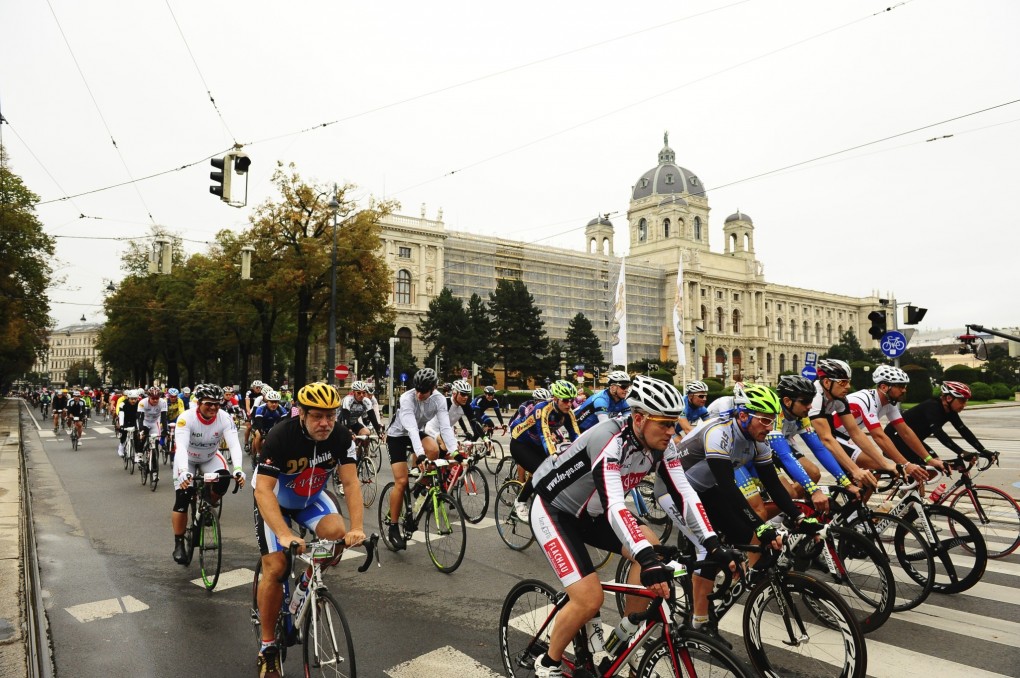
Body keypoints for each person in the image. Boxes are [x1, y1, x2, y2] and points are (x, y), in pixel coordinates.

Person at [528, 376, 728, 678]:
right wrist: (646, 559)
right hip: (555, 510)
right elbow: (615, 505)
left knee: (648, 542)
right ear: (639, 418)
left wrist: (712, 542)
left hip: (593, 514)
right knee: (589, 597)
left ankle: (624, 633)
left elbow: (685, 493)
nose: (671, 431)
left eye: (674, 423)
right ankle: (548, 664)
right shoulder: (609, 440)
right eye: (664, 423)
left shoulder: (662, 445)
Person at [676, 384, 820, 636]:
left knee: (749, 538)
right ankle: (698, 625)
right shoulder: (719, 433)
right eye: (764, 420)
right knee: (709, 551)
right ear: (743, 415)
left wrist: (799, 517)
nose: (770, 427)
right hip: (678, 491)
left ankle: (722, 592)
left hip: (707, 489)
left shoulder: (757, 441)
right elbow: (728, 486)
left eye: (772, 420)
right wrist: (760, 525)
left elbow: (774, 485)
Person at [252, 382, 365, 678]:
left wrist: (358, 528)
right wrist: (284, 534)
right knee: (276, 567)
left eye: (330, 415)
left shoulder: (340, 436)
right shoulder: (280, 436)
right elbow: (263, 491)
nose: (325, 423)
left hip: (310, 499)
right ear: (301, 414)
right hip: (275, 500)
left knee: (337, 535)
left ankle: (306, 583)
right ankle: (267, 647)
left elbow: (351, 483)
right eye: (317, 416)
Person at [383, 368, 459, 550]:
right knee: (401, 481)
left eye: (423, 391)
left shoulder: (439, 399)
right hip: (397, 436)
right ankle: (393, 527)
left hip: (416, 432)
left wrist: (455, 451)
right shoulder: (407, 398)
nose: (418, 394)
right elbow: (410, 430)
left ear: (433, 388)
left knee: (433, 448)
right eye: (416, 389)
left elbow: (445, 427)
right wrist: (420, 456)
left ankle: (419, 484)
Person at [171, 383, 247, 564]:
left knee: (223, 480)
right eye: (208, 403)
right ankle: (179, 542)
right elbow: (180, 446)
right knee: (182, 497)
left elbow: (234, 444)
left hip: (210, 457)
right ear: (199, 403)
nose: (213, 407)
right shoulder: (186, 418)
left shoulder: (225, 418)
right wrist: (182, 472)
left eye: (217, 404)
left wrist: (238, 469)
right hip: (187, 459)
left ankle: (207, 505)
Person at [835, 365, 930, 483]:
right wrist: (905, 464)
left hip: (846, 437)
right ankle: (858, 500)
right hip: (831, 436)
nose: (904, 390)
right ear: (884, 387)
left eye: (905, 386)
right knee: (878, 467)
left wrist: (929, 459)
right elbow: (878, 436)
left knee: (876, 471)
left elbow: (905, 432)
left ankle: (858, 499)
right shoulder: (866, 400)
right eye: (900, 386)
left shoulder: (889, 403)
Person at [508, 380, 582, 521]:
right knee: (540, 471)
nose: (569, 404)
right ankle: (520, 501)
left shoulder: (568, 413)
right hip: (520, 442)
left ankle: (543, 500)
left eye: (571, 401)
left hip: (535, 444)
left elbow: (577, 436)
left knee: (555, 471)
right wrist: (553, 454)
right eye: (565, 401)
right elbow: (545, 435)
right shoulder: (542, 409)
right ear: (555, 398)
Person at [805, 359, 881, 491]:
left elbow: (855, 432)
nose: (848, 386)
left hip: (825, 436)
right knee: (813, 475)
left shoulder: (839, 398)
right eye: (843, 382)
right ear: (827, 382)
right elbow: (826, 439)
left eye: (848, 382)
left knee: (876, 466)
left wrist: (885, 464)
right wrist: (855, 470)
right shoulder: (815, 396)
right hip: (791, 435)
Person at [884, 381, 987, 471]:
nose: (964, 405)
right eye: (962, 401)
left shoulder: (950, 411)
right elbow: (939, 433)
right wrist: (961, 452)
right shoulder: (932, 406)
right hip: (895, 438)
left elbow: (963, 430)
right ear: (949, 398)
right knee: (925, 469)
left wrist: (983, 450)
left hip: (912, 440)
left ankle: (907, 491)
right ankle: (901, 485)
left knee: (935, 466)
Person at [425, 379, 484, 452]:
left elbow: (474, 423)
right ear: (454, 393)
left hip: (447, 431)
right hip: (433, 429)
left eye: (467, 394)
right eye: (463, 394)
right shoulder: (445, 403)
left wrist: (485, 438)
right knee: (445, 448)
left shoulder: (466, 406)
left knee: (458, 454)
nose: (466, 397)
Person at [339, 381, 385, 458]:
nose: (361, 395)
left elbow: (373, 418)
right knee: (349, 439)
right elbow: (345, 418)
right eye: (359, 393)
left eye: (364, 393)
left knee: (366, 432)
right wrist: (349, 431)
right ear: (353, 392)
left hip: (354, 423)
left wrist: (379, 432)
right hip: (342, 423)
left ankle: (362, 455)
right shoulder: (348, 400)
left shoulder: (366, 401)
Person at [251, 389, 288, 460]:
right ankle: (258, 453)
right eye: (272, 402)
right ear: (267, 402)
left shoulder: (281, 410)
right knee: (259, 435)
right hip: (259, 425)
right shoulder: (261, 409)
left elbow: (284, 423)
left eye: (276, 402)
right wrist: (263, 433)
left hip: (272, 426)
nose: (274, 404)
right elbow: (259, 423)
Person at [116, 390, 142, 459]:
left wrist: (139, 427)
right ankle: (121, 446)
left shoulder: (140, 404)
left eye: (135, 399)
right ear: (128, 398)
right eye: (132, 399)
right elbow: (121, 415)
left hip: (134, 420)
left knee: (137, 437)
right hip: (125, 420)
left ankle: (137, 453)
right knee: (123, 432)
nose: (133, 401)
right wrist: (121, 425)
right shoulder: (123, 404)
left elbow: (140, 416)